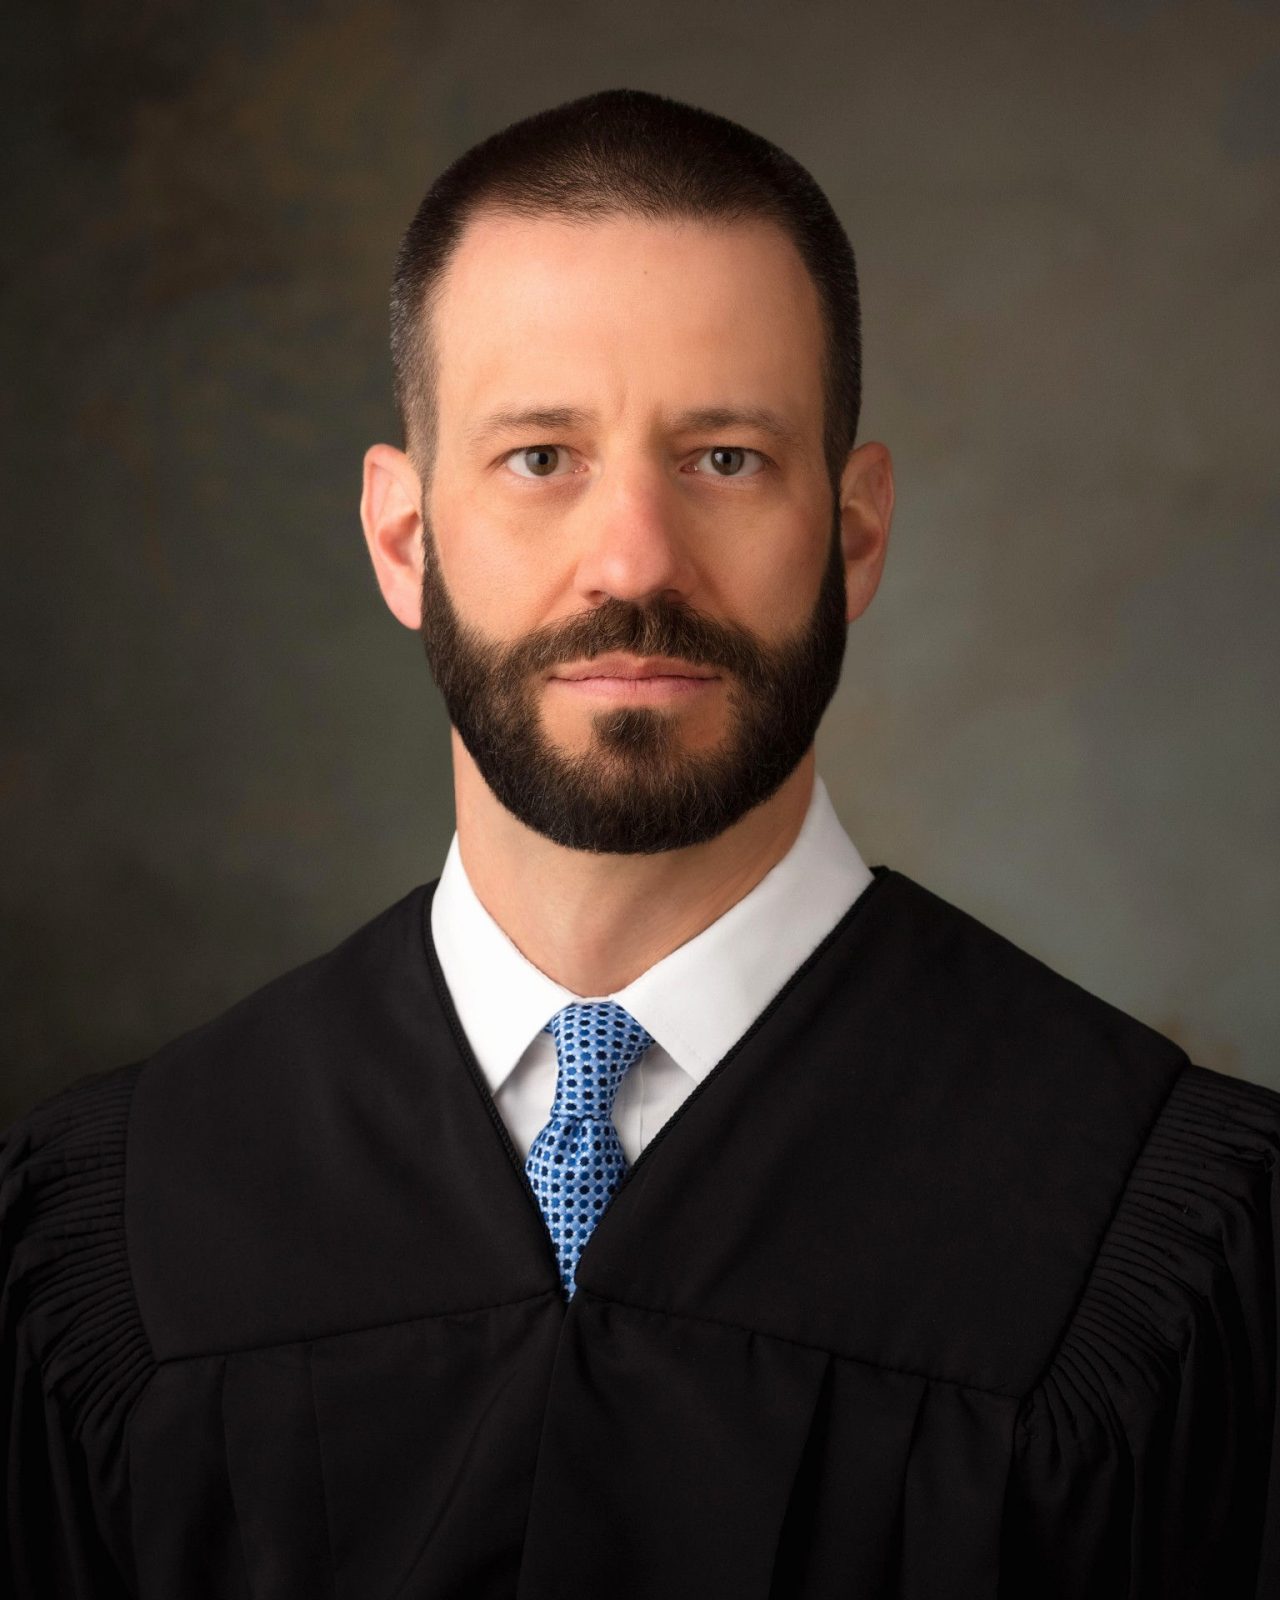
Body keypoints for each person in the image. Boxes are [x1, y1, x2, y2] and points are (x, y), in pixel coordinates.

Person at [2, 86, 1277, 1600]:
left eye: (724, 458)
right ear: (404, 538)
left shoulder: (1171, 1238)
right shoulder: (116, 1236)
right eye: (541, 457)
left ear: (854, 532)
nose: (633, 563)